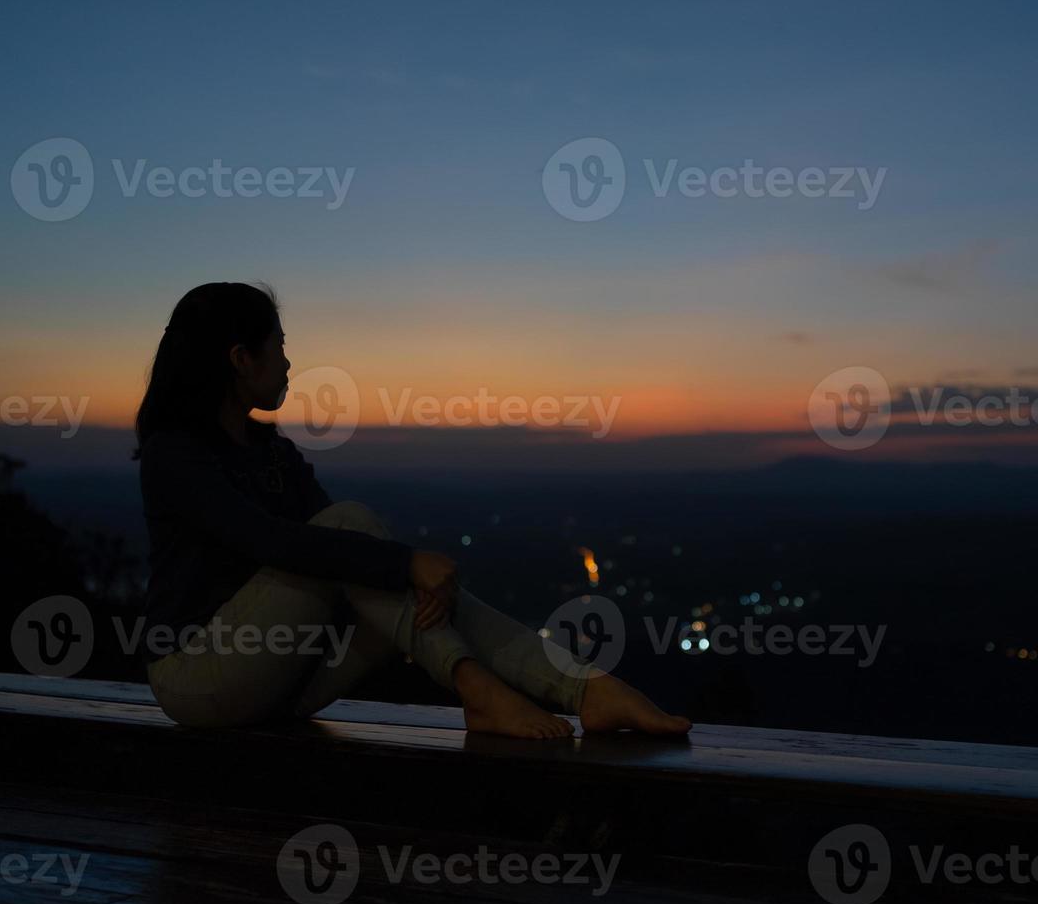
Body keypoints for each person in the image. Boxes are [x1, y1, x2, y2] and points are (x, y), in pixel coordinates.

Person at [134, 282, 691, 740]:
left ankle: (586, 690)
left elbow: (346, 561)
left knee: (400, 590)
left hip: (283, 679)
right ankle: (479, 688)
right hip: (199, 678)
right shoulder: (176, 456)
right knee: (358, 531)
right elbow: (275, 542)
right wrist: (405, 563)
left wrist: (406, 574)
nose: (288, 362)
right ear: (240, 359)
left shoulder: (272, 454)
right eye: (278, 346)